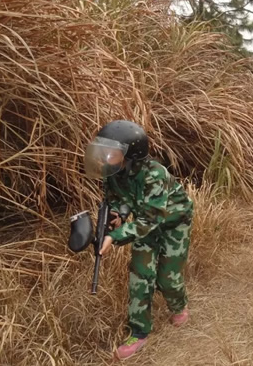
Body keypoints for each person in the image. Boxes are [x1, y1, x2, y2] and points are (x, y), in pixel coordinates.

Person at [83, 120, 194, 360]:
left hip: (173, 223)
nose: (104, 157)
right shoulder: (113, 172)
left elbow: (150, 220)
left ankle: (179, 306)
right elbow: (118, 198)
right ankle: (139, 332)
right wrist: (118, 215)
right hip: (143, 223)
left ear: (130, 155)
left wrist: (115, 236)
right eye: (103, 150)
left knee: (168, 278)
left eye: (110, 152)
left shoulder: (155, 175)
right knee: (140, 274)